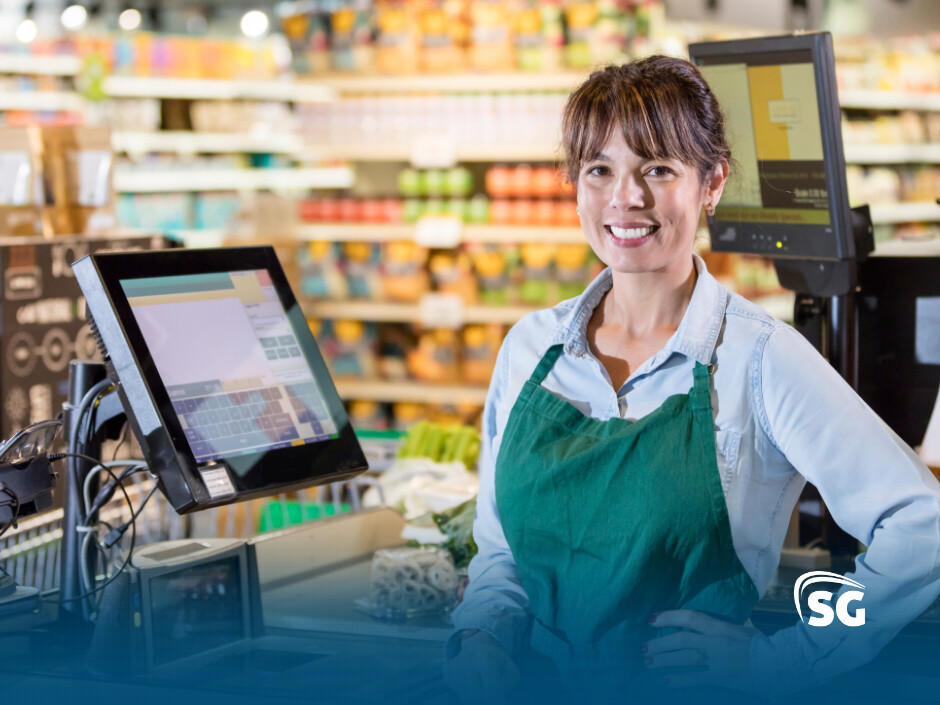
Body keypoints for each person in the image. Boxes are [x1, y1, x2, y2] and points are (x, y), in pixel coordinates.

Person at [442, 56, 940, 704]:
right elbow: (500, 549)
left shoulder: (760, 358)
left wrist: (781, 661)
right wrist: (481, 635)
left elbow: (921, 525)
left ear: (712, 183)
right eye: (599, 170)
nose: (626, 197)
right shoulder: (531, 347)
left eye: (658, 169)